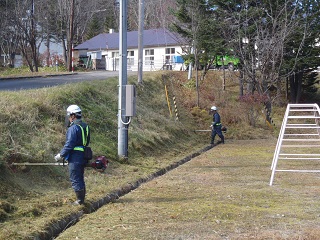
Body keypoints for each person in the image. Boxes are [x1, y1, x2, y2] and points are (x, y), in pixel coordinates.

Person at [54, 105, 90, 205]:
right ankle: (81, 200)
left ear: (73, 116)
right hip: (83, 155)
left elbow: (69, 144)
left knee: (75, 178)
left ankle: (79, 201)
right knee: (80, 177)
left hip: (75, 157)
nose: (68, 118)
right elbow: (86, 141)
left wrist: (61, 155)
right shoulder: (85, 126)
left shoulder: (73, 128)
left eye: (69, 116)